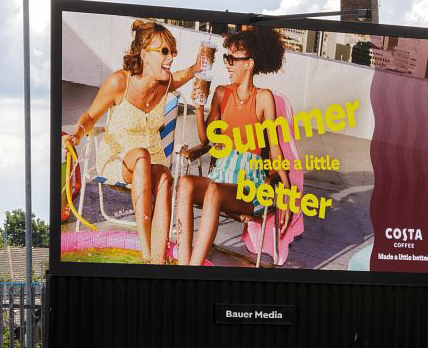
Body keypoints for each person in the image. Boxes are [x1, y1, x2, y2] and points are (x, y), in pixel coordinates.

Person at [63, 20, 198, 263]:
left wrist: (197, 67)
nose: (171, 58)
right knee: (141, 156)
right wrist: (77, 134)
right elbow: (91, 115)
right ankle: (146, 252)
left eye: (173, 52)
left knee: (165, 176)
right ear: (144, 54)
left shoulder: (164, 83)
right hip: (119, 159)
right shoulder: (120, 82)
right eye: (165, 52)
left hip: (151, 158)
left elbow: (181, 76)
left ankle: (157, 261)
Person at [176, 26, 292, 266]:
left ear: (249, 64)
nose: (227, 64)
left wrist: (288, 197)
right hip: (222, 173)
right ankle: (182, 264)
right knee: (186, 183)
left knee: (215, 191)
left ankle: (193, 271)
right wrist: (199, 106)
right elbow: (207, 139)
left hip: (250, 185)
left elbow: (277, 148)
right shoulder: (220, 93)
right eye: (226, 57)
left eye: (232, 58)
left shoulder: (264, 98)